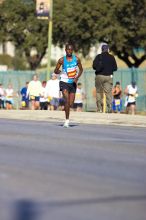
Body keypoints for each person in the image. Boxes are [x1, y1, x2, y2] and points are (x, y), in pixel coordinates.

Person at [54, 43, 83, 127]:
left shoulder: (77, 59)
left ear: (72, 50)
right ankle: (66, 121)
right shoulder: (61, 60)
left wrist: (77, 77)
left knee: (70, 104)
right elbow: (55, 70)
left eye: (71, 50)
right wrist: (61, 72)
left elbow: (81, 70)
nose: (69, 51)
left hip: (73, 83)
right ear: (65, 50)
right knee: (66, 100)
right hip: (63, 82)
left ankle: (66, 108)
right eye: (68, 49)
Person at [92, 44, 117, 113]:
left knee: (99, 92)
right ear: (108, 49)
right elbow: (115, 68)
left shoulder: (98, 57)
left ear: (102, 49)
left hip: (99, 76)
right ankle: (109, 108)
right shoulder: (112, 57)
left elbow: (94, 67)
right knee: (108, 92)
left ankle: (99, 108)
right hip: (109, 77)